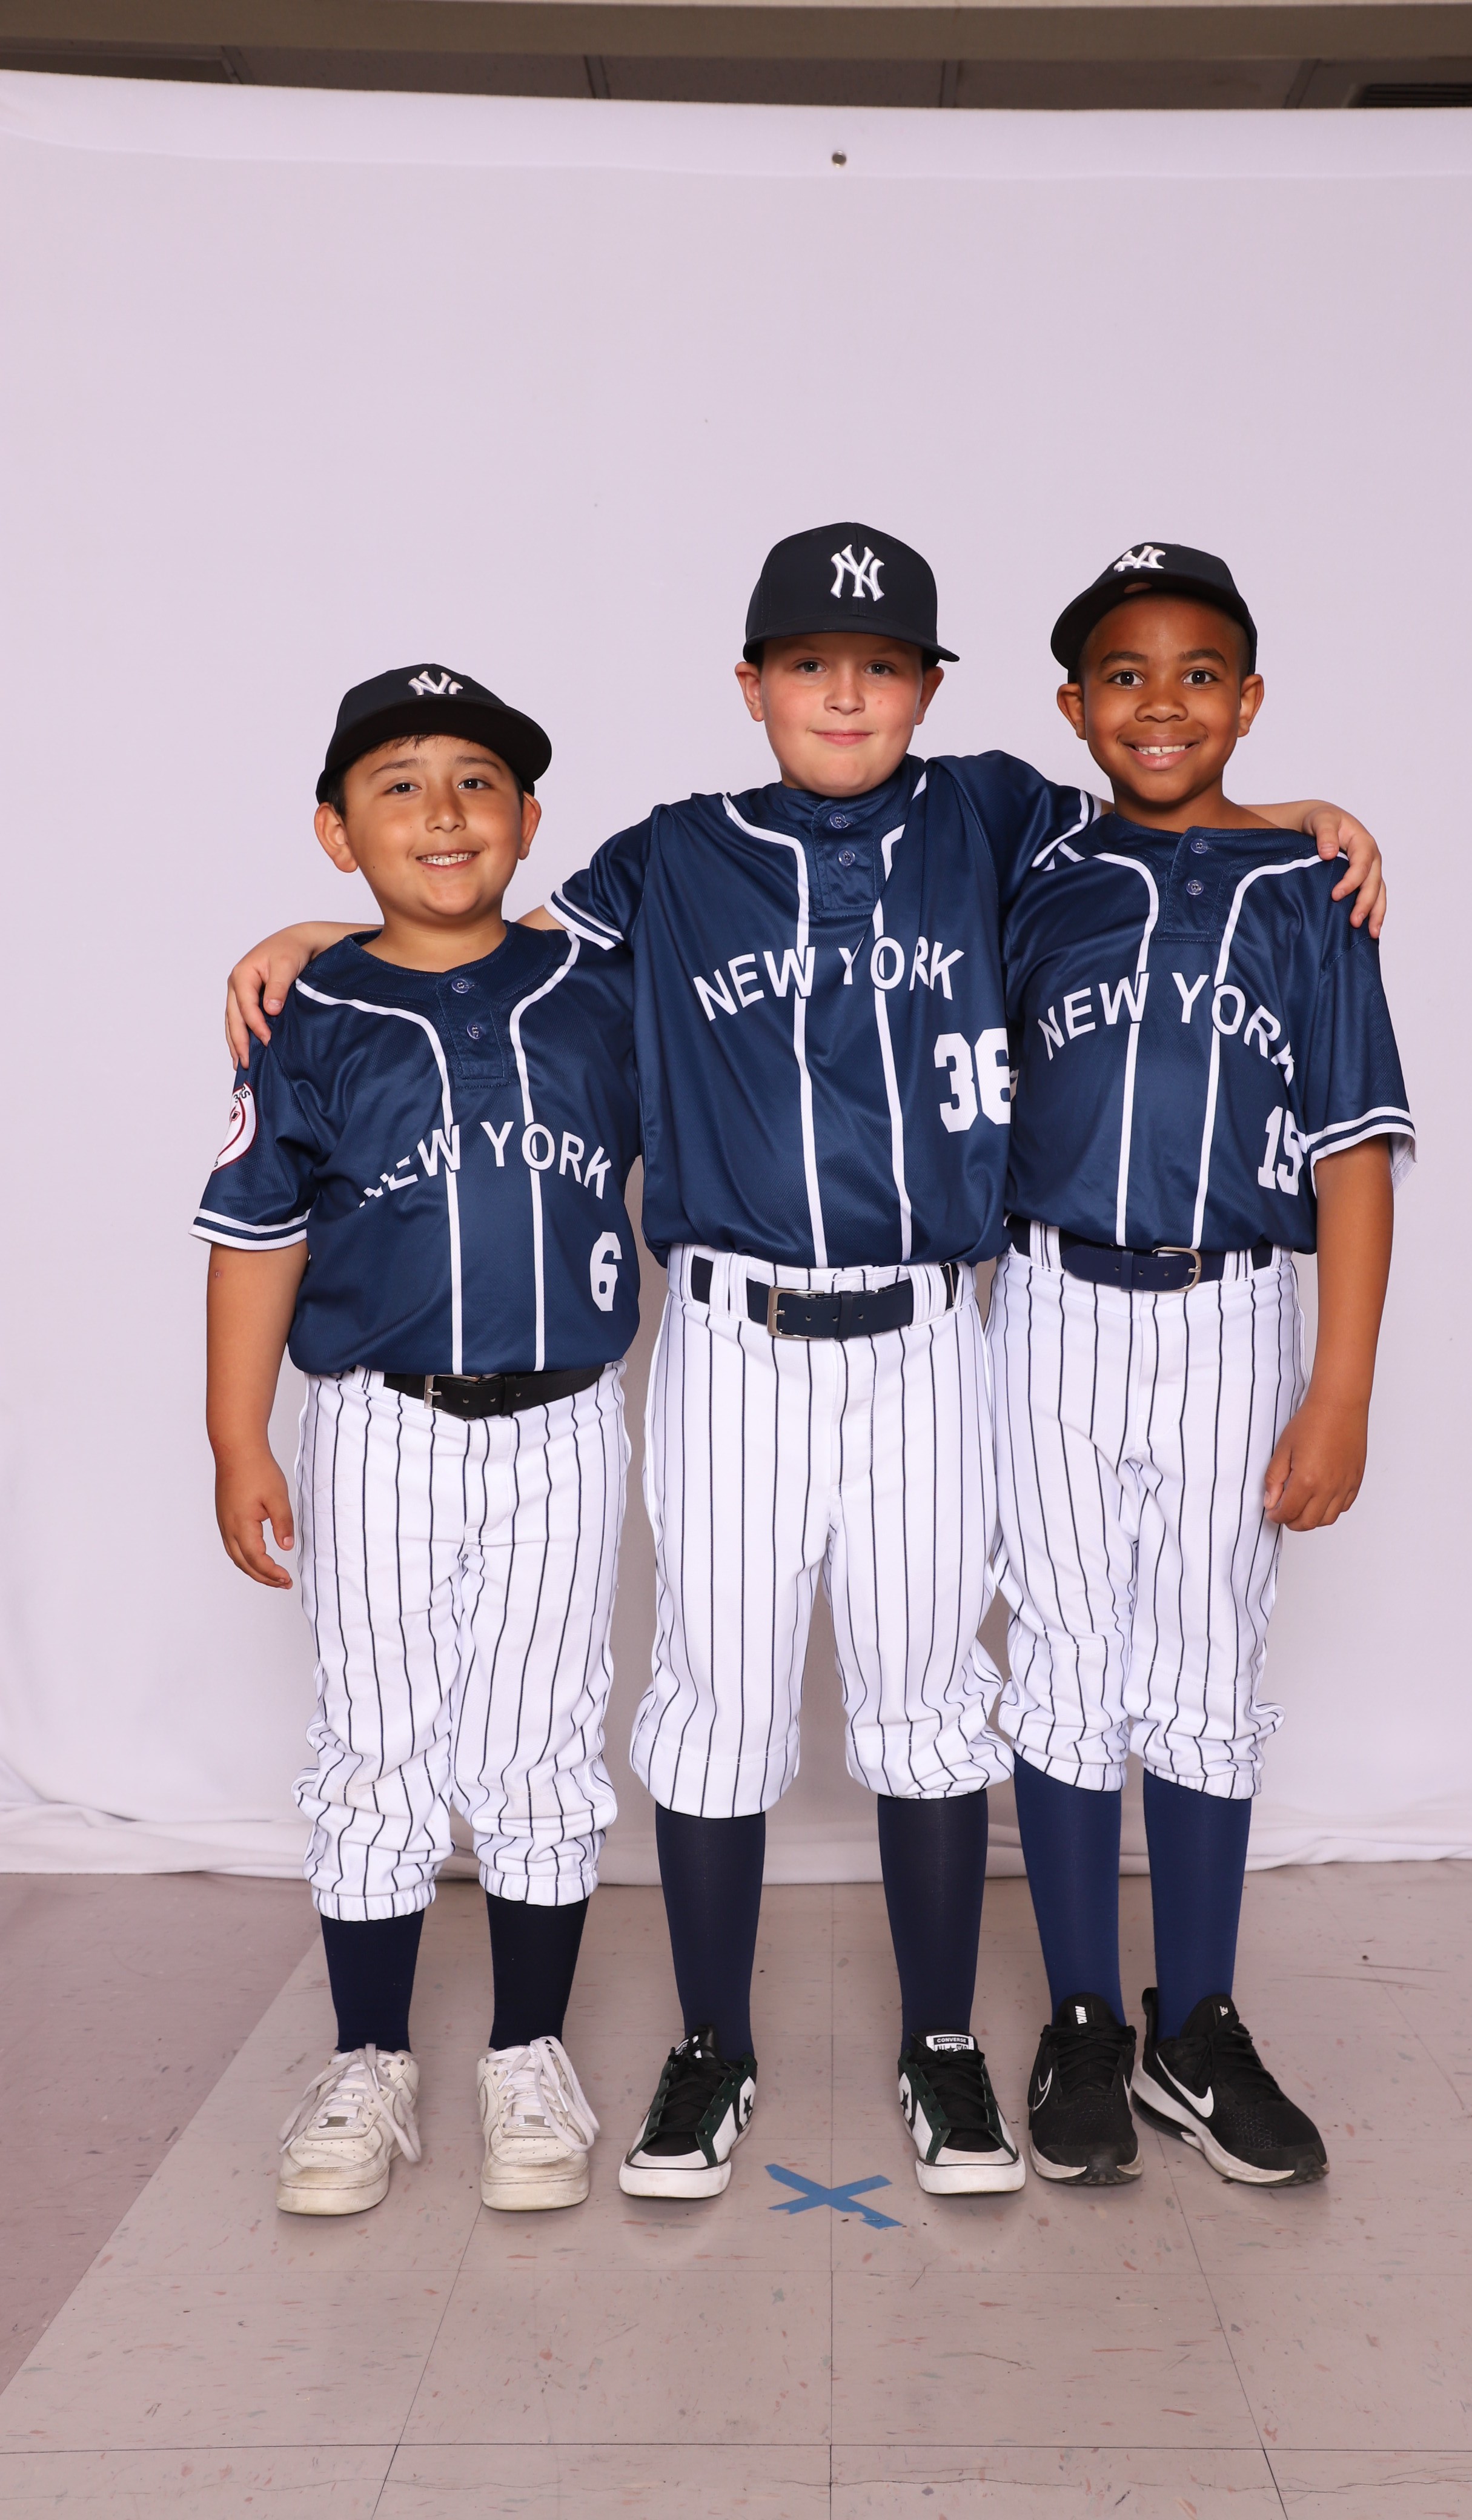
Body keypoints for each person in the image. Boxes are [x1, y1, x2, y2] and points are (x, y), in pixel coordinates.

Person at [222, 529, 1386, 2203]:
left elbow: (1166, 819)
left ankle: (942, 2041)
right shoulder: (673, 856)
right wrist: (323, 931)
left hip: (930, 1334)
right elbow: (479, 938)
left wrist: (1298, 817)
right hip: (731, 1336)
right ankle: (712, 2043)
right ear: (752, 683)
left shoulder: (995, 814)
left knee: (930, 1693)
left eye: (882, 663)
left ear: (929, 687)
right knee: (717, 1697)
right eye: (809, 663)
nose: (846, 691)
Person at [993, 543, 1411, 2189]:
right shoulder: (1031, 863)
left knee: (1205, 1664)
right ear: (1071, 705)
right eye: (1124, 675)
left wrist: (1342, 1389)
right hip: (1049, 1302)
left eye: (1196, 676)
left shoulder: (1311, 891)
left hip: (1234, 1311)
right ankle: (1084, 2017)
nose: (1159, 703)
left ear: (1246, 699)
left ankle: (1200, 2024)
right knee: (1064, 1655)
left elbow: (1354, 1153)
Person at [199, 666, 640, 2217]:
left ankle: (529, 2051)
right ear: (338, 832)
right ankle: (368, 2056)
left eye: (476, 783)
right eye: (398, 786)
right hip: (378, 1424)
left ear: (529, 817)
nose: (442, 812)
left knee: (538, 1743)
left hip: (565, 1422)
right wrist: (236, 1436)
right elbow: (257, 1234)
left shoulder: (599, 983)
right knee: (376, 1744)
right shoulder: (305, 1014)